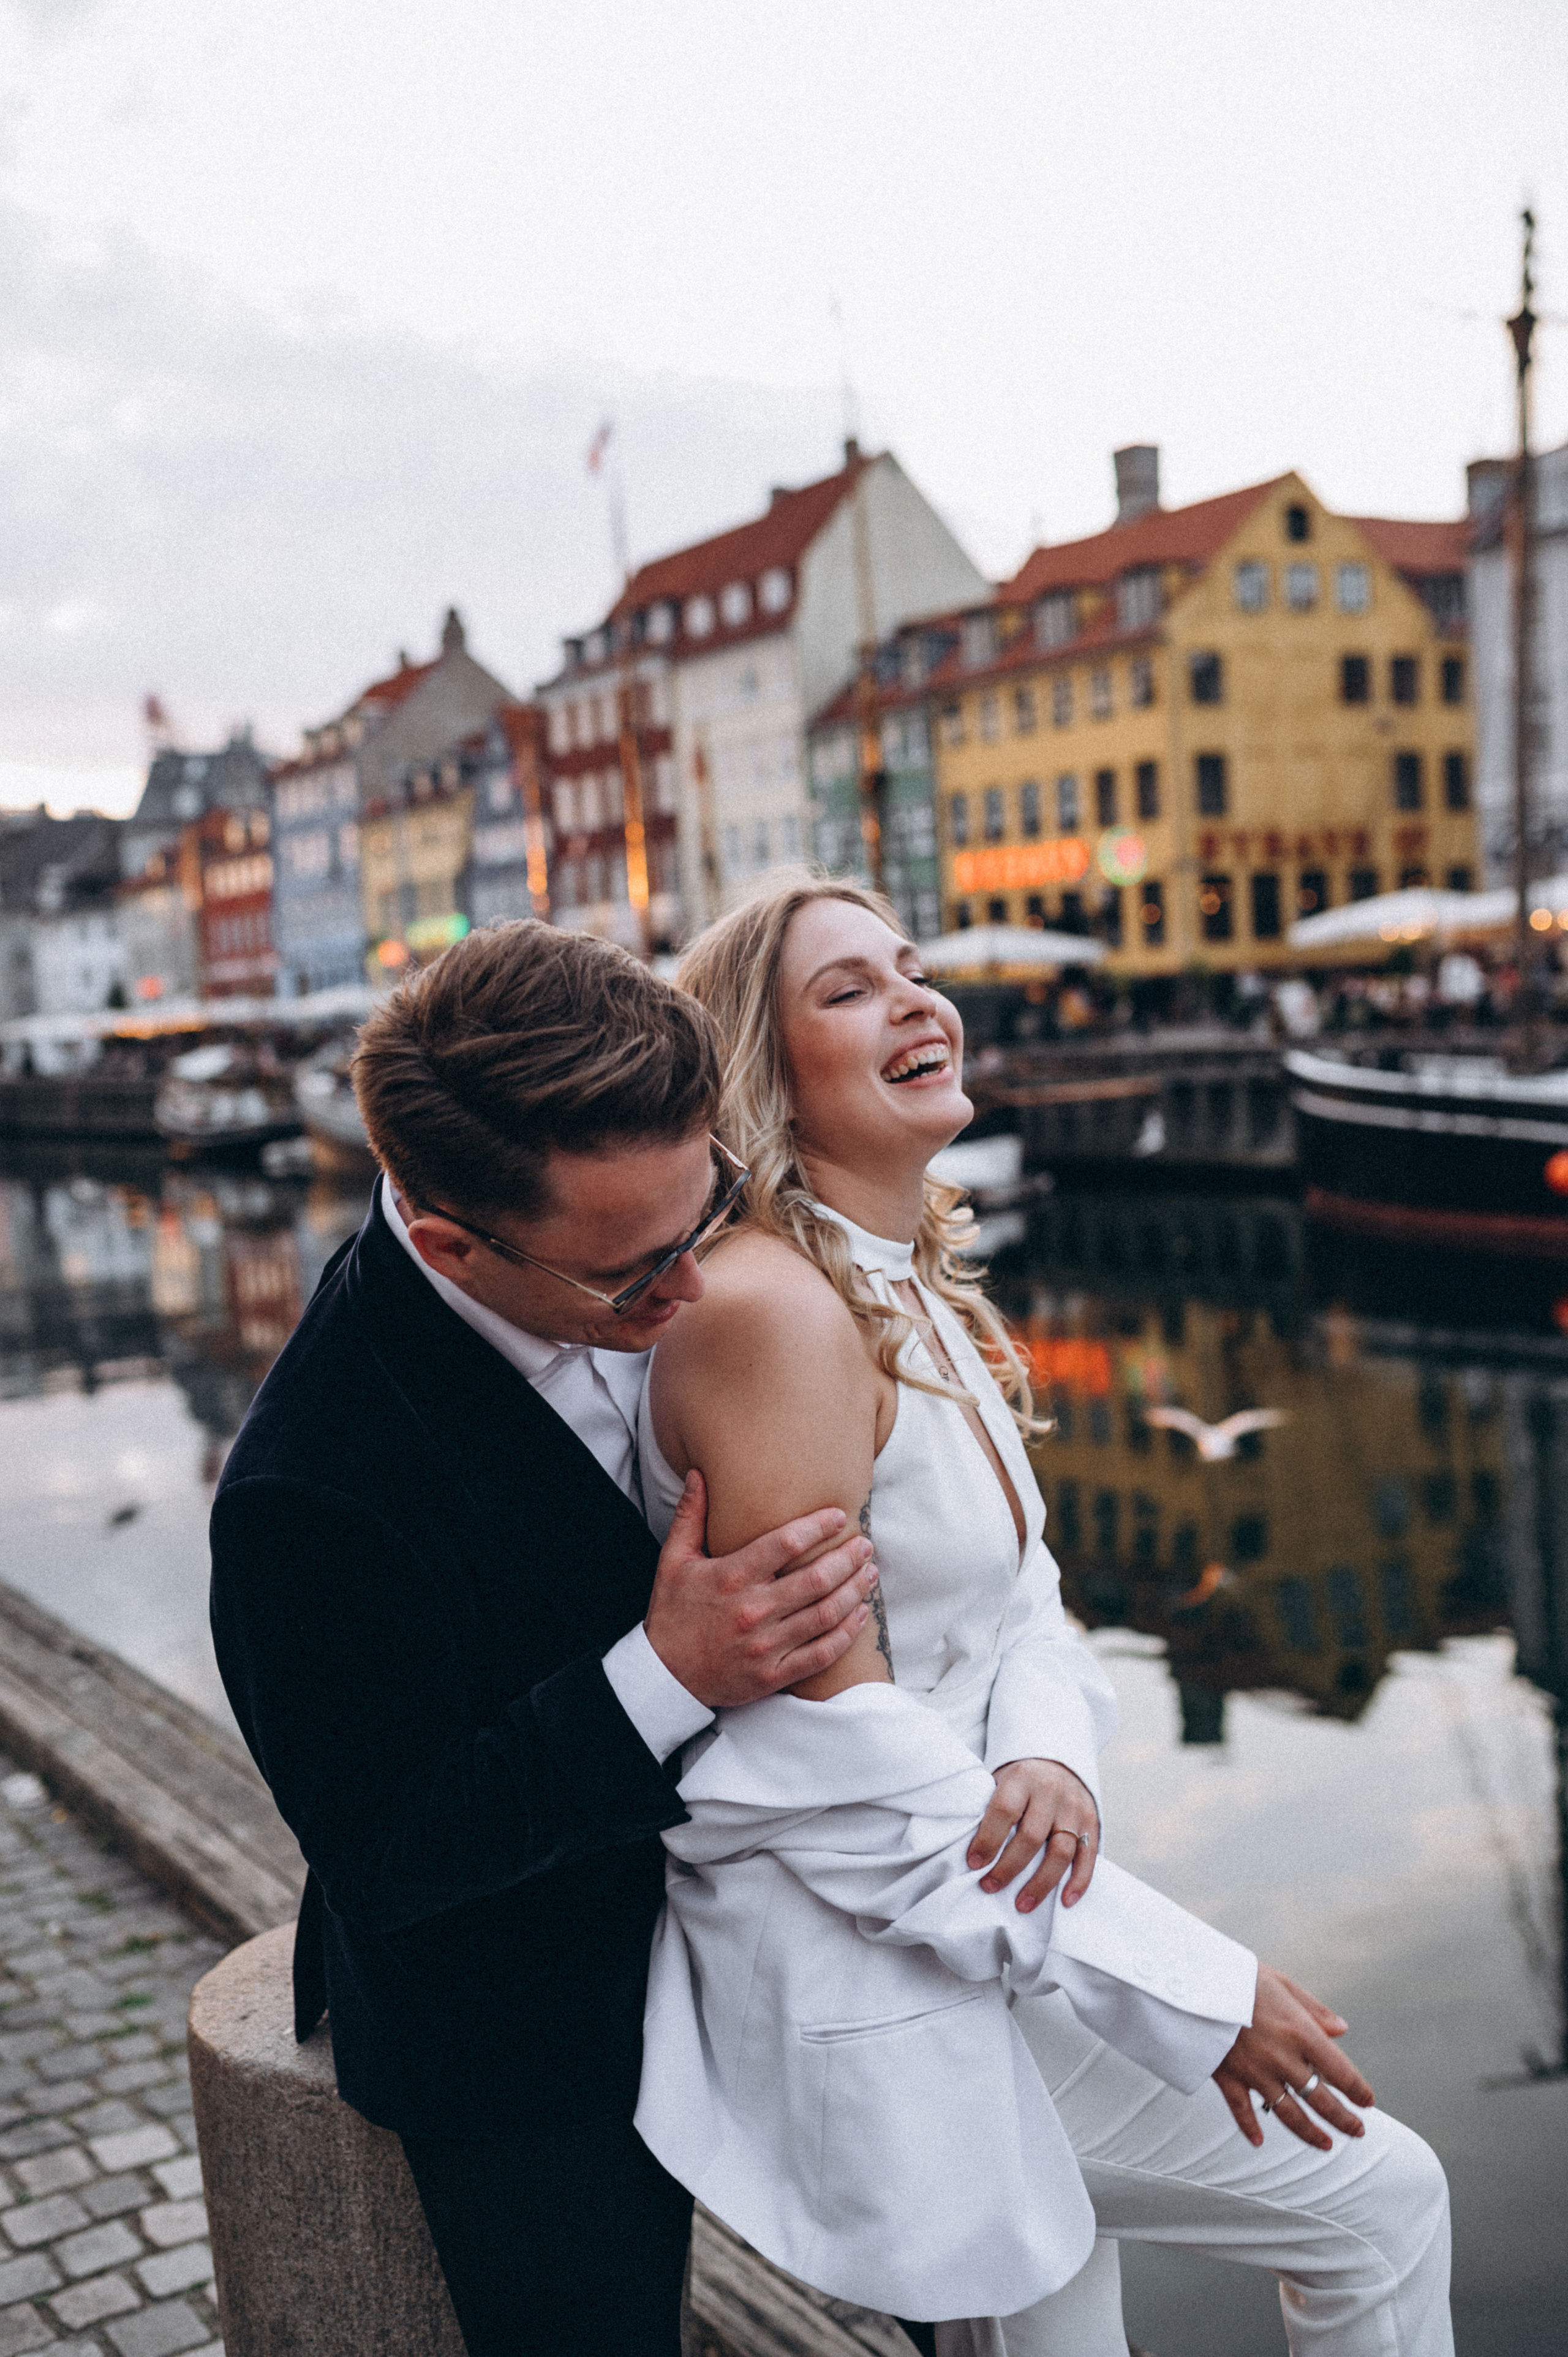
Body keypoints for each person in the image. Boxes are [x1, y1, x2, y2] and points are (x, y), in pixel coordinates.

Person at [633, 880, 1453, 2357]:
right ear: (764, 1069)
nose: (915, 1000)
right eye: (848, 990)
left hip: (988, 1927)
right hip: (880, 1967)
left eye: (913, 968)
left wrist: (1057, 1762)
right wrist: (1201, 1996)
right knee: (1376, 2200)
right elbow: (834, 1768)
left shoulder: (896, 1284)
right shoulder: (768, 1315)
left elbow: (1027, 1600)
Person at [208, 921, 884, 2357]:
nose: (692, 1288)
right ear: (448, 1236)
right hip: (528, 2036)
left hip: (784, 1935)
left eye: (706, 1216)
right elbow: (389, 1853)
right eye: (628, 1275)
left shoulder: (649, 1206)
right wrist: (664, 1674)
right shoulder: (308, 1488)